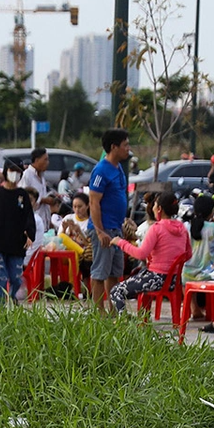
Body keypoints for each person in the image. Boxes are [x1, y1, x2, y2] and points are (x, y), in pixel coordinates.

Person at [110, 191, 188, 311]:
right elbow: (188, 253)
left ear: (159, 209)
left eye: (154, 205)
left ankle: (124, 322)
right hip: (173, 280)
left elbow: (141, 254)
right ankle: (141, 320)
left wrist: (120, 242)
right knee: (140, 277)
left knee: (116, 291)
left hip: (156, 279)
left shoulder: (156, 229)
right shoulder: (182, 228)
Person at [87, 127, 132, 312]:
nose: (128, 148)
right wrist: (99, 231)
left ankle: (115, 311)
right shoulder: (100, 171)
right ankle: (99, 313)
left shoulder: (118, 167)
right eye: (125, 145)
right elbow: (93, 202)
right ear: (114, 147)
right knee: (100, 272)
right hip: (104, 230)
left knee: (115, 273)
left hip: (116, 230)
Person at [0, 160, 36, 303]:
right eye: (13, 171)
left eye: (19, 171)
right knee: (0, 275)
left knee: (16, 277)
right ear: (6, 172)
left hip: (17, 244)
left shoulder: (22, 195)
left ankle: (12, 300)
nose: (15, 174)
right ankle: (0, 309)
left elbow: (28, 217)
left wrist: (29, 234)